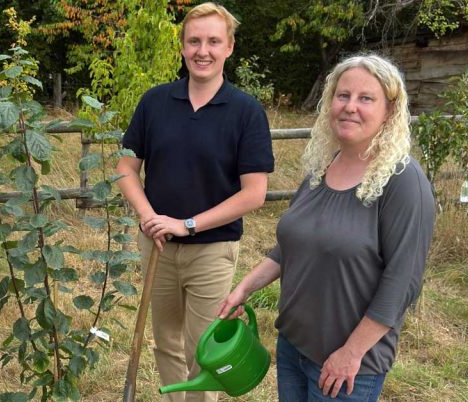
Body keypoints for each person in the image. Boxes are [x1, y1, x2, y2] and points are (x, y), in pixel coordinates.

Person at [217, 54, 436, 402]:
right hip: (293, 346)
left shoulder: (403, 182)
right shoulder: (321, 170)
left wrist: (350, 353)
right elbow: (288, 247)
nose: (350, 107)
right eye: (343, 95)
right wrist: (243, 288)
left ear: (390, 111)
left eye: (366, 98)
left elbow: (403, 282)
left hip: (348, 367)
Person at [116, 3, 274, 401]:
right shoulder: (155, 102)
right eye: (194, 41)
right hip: (157, 245)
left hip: (212, 250)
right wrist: (150, 217)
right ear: (183, 48)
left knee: (202, 351)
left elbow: (254, 193)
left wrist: (186, 224)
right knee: (165, 342)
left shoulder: (246, 112)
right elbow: (125, 168)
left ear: (229, 48)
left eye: (213, 41)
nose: (203, 50)